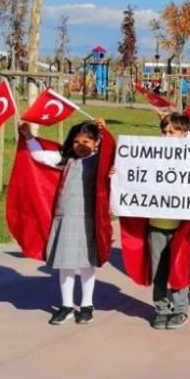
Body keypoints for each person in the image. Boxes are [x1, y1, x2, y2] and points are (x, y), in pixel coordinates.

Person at [16, 119, 114, 325]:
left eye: (87, 141)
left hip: (88, 219)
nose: (81, 145)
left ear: (97, 142)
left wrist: (105, 130)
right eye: (77, 141)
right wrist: (28, 136)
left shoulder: (101, 161)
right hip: (66, 218)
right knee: (65, 264)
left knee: (87, 264)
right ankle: (67, 305)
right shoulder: (66, 159)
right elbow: (39, 156)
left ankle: (87, 305)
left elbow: (112, 153)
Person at [119, 113, 190, 330]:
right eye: (164, 131)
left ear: (184, 134)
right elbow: (134, 175)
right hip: (156, 225)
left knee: (179, 268)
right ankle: (162, 309)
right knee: (158, 271)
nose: (166, 136)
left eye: (172, 132)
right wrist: (119, 175)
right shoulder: (150, 156)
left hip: (181, 226)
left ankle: (181, 309)